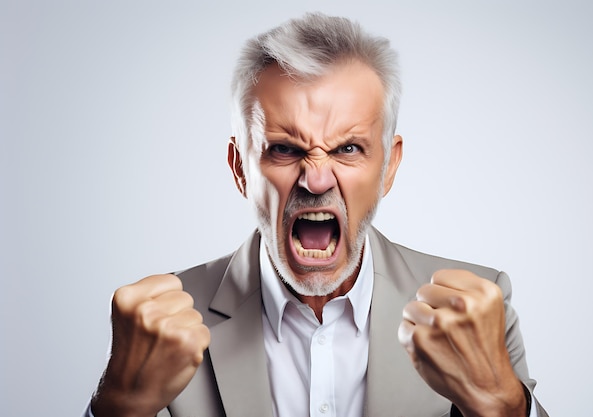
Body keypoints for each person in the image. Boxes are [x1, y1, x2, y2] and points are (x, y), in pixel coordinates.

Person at [87, 12, 548, 417]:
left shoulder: (476, 309)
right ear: (239, 170)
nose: (317, 180)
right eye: (285, 149)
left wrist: (502, 405)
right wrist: (117, 408)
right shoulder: (158, 328)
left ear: (389, 166)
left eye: (348, 148)